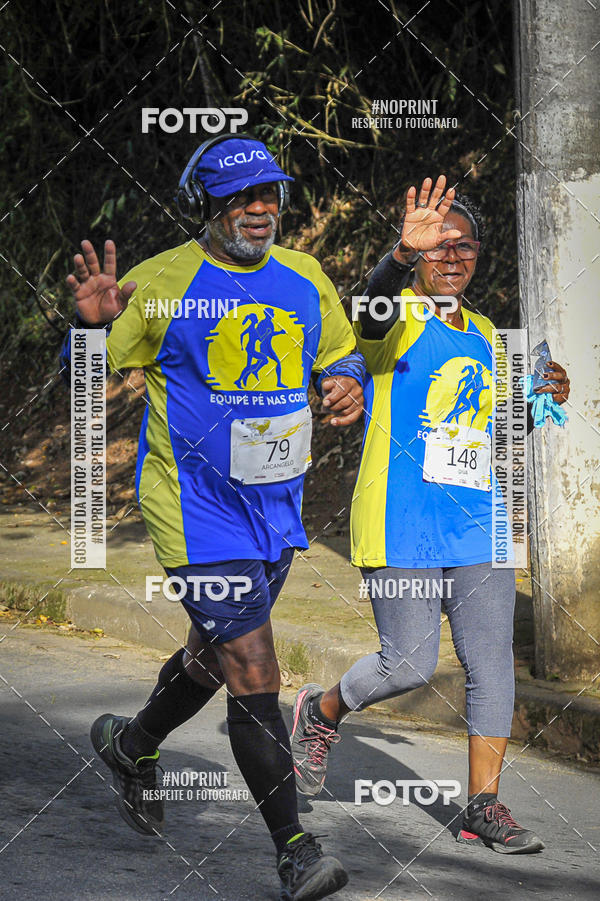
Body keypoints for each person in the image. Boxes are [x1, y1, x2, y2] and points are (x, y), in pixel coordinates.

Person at [60, 134, 366, 900]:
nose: (259, 211)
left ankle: (133, 744)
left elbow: (342, 352)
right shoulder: (159, 283)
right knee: (255, 667)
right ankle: (295, 850)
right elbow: (81, 381)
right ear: (210, 204)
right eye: (241, 198)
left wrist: (345, 383)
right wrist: (92, 329)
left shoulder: (303, 276)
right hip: (194, 512)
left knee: (211, 656)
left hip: (273, 508)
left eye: (270, 196)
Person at [290, 175, 570, 855]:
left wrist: (545, 398)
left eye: (463, 246)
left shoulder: (489, 336)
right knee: (408, 663)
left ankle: (484, 805)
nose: (451, 257)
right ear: (419, 253)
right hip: (401, 519)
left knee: (492, 661)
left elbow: (499, 433)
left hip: (480, 522)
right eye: (437, 247)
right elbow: (369, 314)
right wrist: (398, 256)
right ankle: (321, 709)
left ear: (478, 255)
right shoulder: (394, 319)